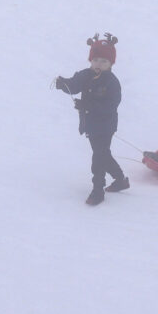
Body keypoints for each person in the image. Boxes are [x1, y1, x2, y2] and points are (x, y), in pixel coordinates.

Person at [54, 34, 127, 205]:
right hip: (90, 125)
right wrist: (64, 84)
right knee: (103, 154)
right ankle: (120, 179)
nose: (98, 64)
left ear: (111, 63)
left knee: (98, 157)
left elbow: (110, 105)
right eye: (95, 60)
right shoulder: (85, 75)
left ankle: (98, 190)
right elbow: (74, 85)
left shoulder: (111, 82)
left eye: (104, 61)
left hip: (106, 126)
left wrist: (88, 105)